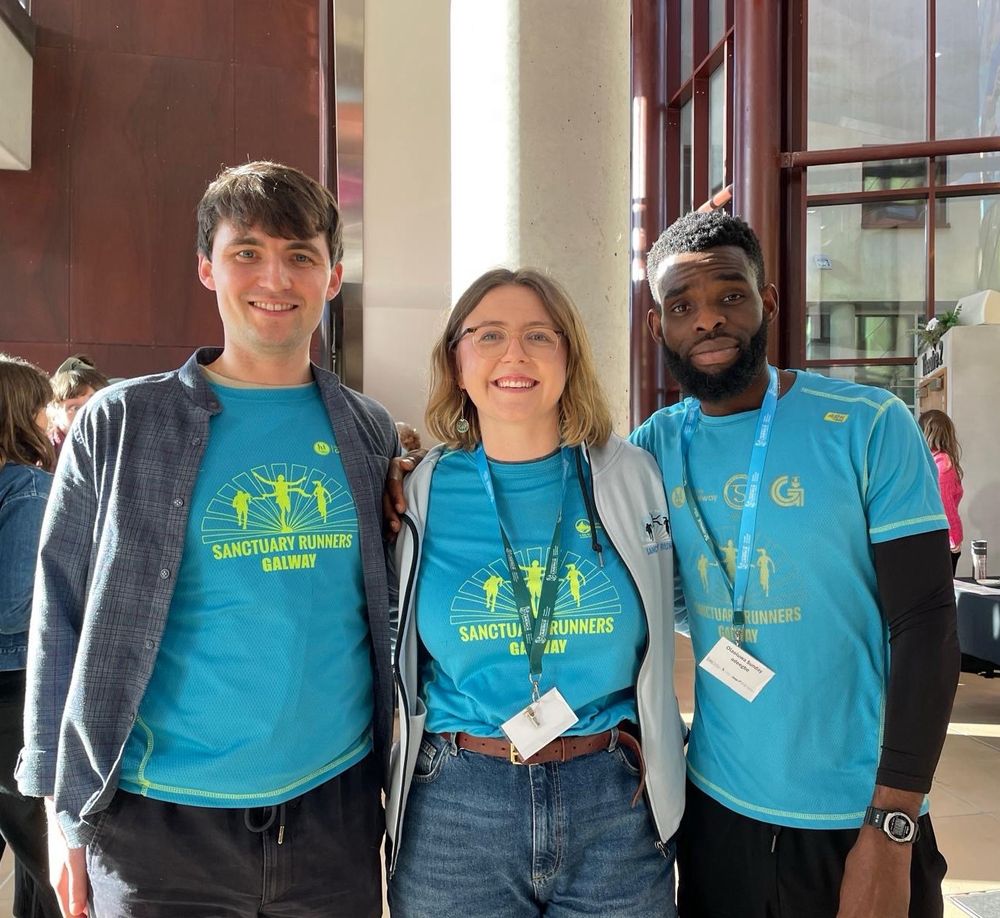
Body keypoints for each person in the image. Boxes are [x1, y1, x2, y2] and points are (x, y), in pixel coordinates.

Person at [18, 161, 398, 917]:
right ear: (206, 267)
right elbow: (57, 614)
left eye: (300, 256)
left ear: (332, 277)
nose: (275, 278)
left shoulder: (367, 429)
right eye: (247, 252)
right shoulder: (122, 423)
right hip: (157, 830)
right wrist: (63, 814)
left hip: (332, 816)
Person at [631, 210, 959, 918]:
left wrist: (893, 823)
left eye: (731, 296)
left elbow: (927, 623)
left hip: (859, 813)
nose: (709, 321)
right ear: (659, 328)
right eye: (683, 307)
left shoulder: (869, 424)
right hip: (718, 812)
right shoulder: (652, 448)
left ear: (768, 302)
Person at [386, 268, 687, 918]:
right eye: (488, 335)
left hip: (611, 798)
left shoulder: (630, 476)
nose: (514, 355)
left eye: (538, 337)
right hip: (457, 806)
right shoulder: (417, 491)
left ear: (569, 357)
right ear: (456, 361)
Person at [0, 355, 62, 918]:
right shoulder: (28, 488)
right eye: (44, 405)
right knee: (44, 850)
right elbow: (11, 608)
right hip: (14, 686)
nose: (53, 416)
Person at [919, 409, 964, 574]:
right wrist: (954, 539)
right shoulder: (943, 464)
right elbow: (946, 506)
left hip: (926, 537)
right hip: (943, 540)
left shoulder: (923, 461)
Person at [47, 356, 109, 456]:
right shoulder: (43, 456)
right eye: (75, 408)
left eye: (94, 405)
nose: (86, 414)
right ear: (55, 415)